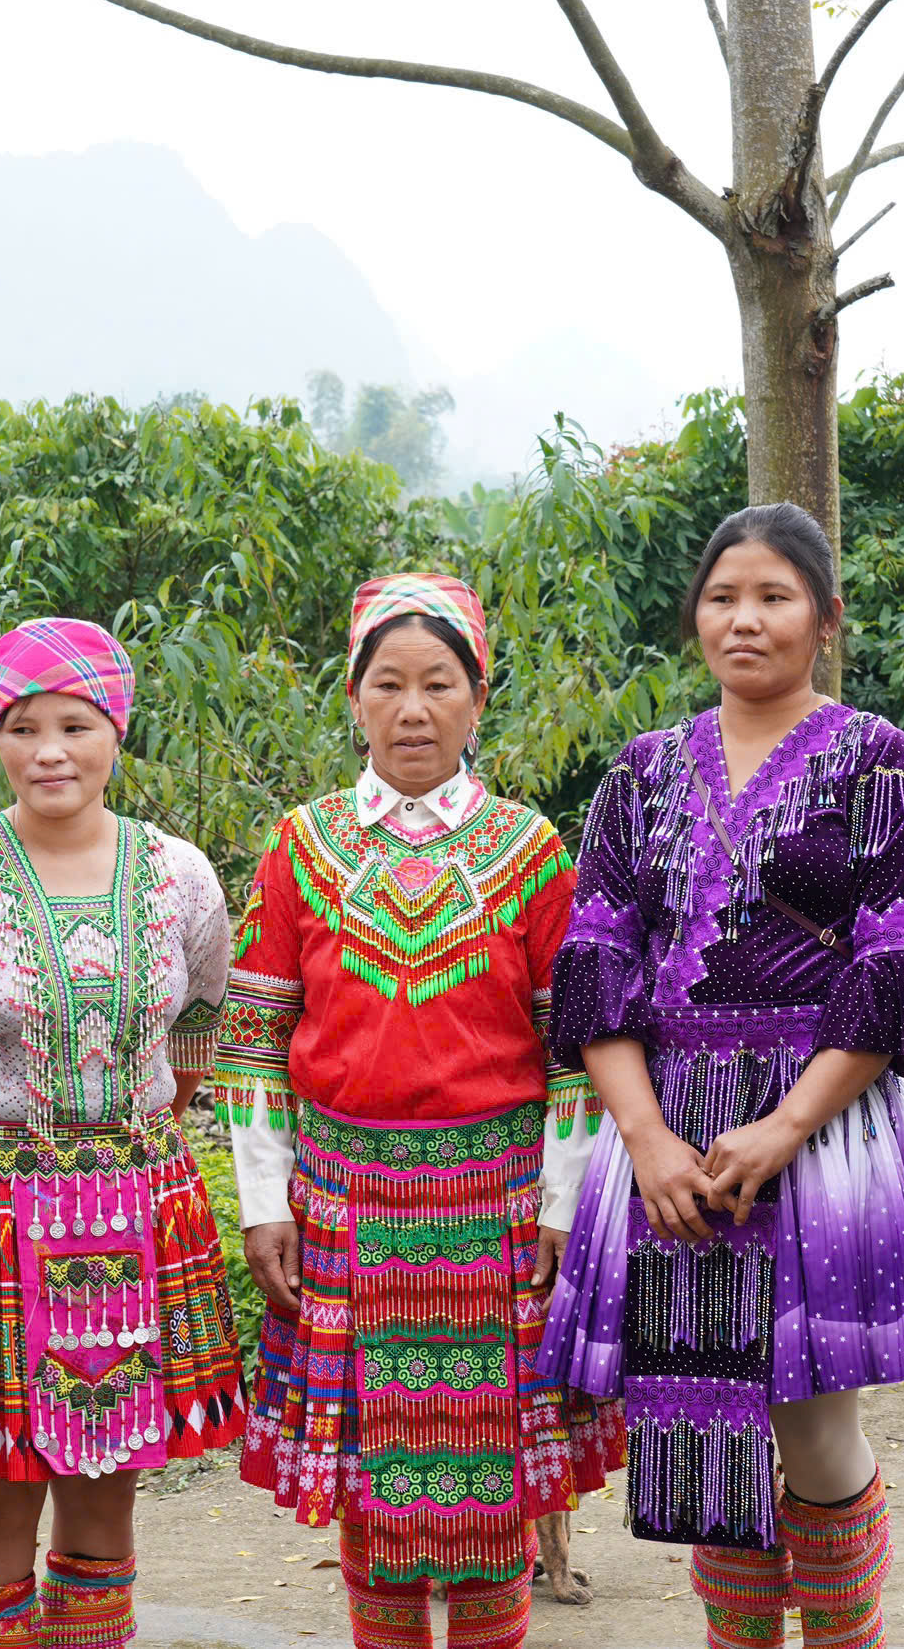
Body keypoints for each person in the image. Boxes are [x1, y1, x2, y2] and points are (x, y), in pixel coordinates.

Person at [539, 503, 904, 1649]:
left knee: (811, 1425)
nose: (743, 619)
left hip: (818, 1125)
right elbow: (593, 962)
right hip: (666, 1133)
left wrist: (784, 1126)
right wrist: (643, 1137)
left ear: (825, 619)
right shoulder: (637, 774)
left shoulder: (876, 760)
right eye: (722, 597)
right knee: (700, 1427)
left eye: (774, 596)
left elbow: (897, 969)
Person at [219, 573, 620, 1649]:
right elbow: (253, 1040)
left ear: (477, 698)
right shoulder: (299, 848)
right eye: (386, 682)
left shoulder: (534, 853)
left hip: (494, 1207)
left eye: (437, 682)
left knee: (490, 1510)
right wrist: (265, 1202)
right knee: (369, 1498)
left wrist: (559, 1202)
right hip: (342, 1201)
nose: (411, 708)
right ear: (351, 698)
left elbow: (575, 1053)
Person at [0, 618, 244, 1649]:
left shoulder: (181, 877)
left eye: (75, 723)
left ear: (116, 730)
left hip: (134, 1211)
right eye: (23, 725)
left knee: (104, 1493)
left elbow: (202, 1022)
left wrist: (144, 1137)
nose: (49, 750)